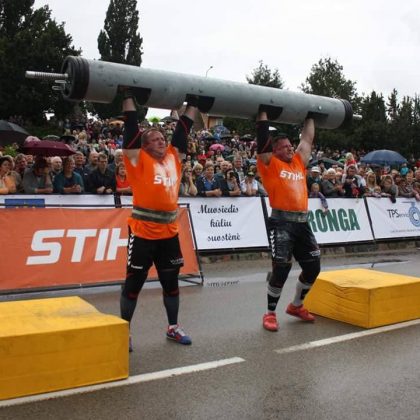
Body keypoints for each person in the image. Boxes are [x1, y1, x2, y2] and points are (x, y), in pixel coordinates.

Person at [120, 90, 198, 351]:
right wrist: (128, 98)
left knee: (171, 284)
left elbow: (182, 132)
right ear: (144, 146)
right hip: (143, 233)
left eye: (162, 138)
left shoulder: (173, 158)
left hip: (169, 233)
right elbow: (131, 131)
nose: (161, 141)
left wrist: (193, 105)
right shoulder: (137, 158)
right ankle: (124, 332)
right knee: (133, 285)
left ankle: (173, 327)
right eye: (154, 139)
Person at [256, 110, 319, 332]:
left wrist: (310, 116)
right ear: (274, 151)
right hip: (281, 222)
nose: (290, 149)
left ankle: (296, 306)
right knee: (281, 268)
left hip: (302, 223)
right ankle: (270, 313)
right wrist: (263, 115)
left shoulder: (299, 162)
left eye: (290, 145)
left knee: (313, 267)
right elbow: (262, 142)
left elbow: (307, 140)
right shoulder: (269, 163)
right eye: (284, 147)